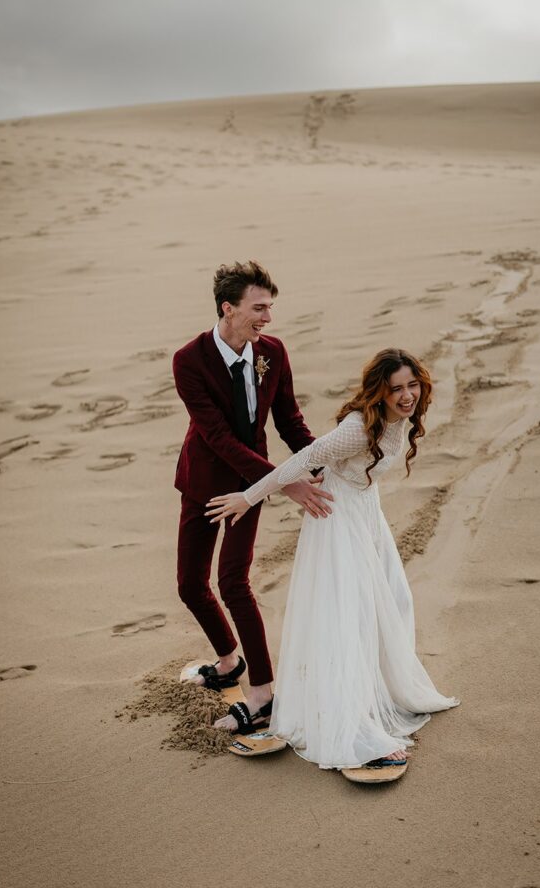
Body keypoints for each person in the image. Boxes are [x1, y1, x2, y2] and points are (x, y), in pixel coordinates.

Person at [206, 348, 459, 772]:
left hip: (365, 516)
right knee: (349, 617)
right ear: (379, 390)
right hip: (337, 520)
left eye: (412, 385)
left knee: (391, 603)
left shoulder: (402, 418)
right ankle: (354, 725)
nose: (407, 396)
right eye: (396, 389)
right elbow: (302, 460)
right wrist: (249, 498)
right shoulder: (357, 430)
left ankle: (379, 695)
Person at [172, 260, 334, 728]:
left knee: (233, 583)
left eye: (269, 308)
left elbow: (288, 421)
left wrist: (324, 464)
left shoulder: (274, 353)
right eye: (258, 308)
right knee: (189, 585)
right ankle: (228, 663)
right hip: (203, 483)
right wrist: (287, 482)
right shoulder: (189, 360)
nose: (267, 318)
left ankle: (262, 694)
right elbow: (218, 437)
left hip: (251, 484)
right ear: (229, 308)